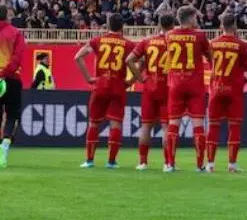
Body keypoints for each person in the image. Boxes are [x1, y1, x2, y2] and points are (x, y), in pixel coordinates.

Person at [74, 14, 139, 168]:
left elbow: (78, 57)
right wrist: (131, 81)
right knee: (115, 124)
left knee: (94, 123)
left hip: (100, 83)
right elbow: (139, 62)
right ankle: (111, 161)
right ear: (122, 27)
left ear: (108, 25)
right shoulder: (128, 44)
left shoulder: (97, 41)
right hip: (118, 85)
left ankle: (89, 160)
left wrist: (89, 78)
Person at [165, 6, 213, 173]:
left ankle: (170, 164)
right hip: (194, 84)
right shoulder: (200, 36)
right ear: (191, 18)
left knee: (173, 125)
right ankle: (199, 165)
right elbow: (210, 57)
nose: (197, 20)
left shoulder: (169, 35)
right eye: (195, 17)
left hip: (176, 84)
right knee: (198, 125)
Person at [125, 13, 174, 171]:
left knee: (146, 126)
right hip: (167, 87)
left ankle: (143, 162)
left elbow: (129, 60)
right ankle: (167, 163)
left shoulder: (147, 41)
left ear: (159, 25)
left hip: (149, 87)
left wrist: (141, 79)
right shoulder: (174, 41)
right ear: (173, 26)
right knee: (167, 127)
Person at [207, 14, 247, 173]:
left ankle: (210, 165)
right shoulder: (241, 45)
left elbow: (212, 64)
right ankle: (232, 165)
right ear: (234, 25)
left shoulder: (212, 44)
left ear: (221, 26)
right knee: (235, 127)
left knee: (213, 127)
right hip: (234, 91)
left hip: (216, 89)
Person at [0, 5, 26, 169]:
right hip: (11, 78)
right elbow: (17, 58)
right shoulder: (16, 34)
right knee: (12, 116)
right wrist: (5, 72)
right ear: (7, 15)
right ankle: (5, 146)